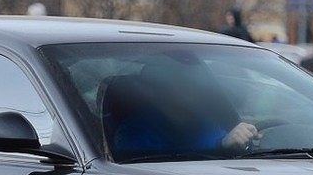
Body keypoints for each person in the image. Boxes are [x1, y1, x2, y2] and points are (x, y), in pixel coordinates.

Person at [109, 56, 258, 155]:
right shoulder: (133, 132)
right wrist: (221, 146)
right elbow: (157, 169)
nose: (199, 91)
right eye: (187, 84)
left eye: (198, 86)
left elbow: (224, 141)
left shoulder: (202, 123)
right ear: (164, 90)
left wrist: (239, 138)